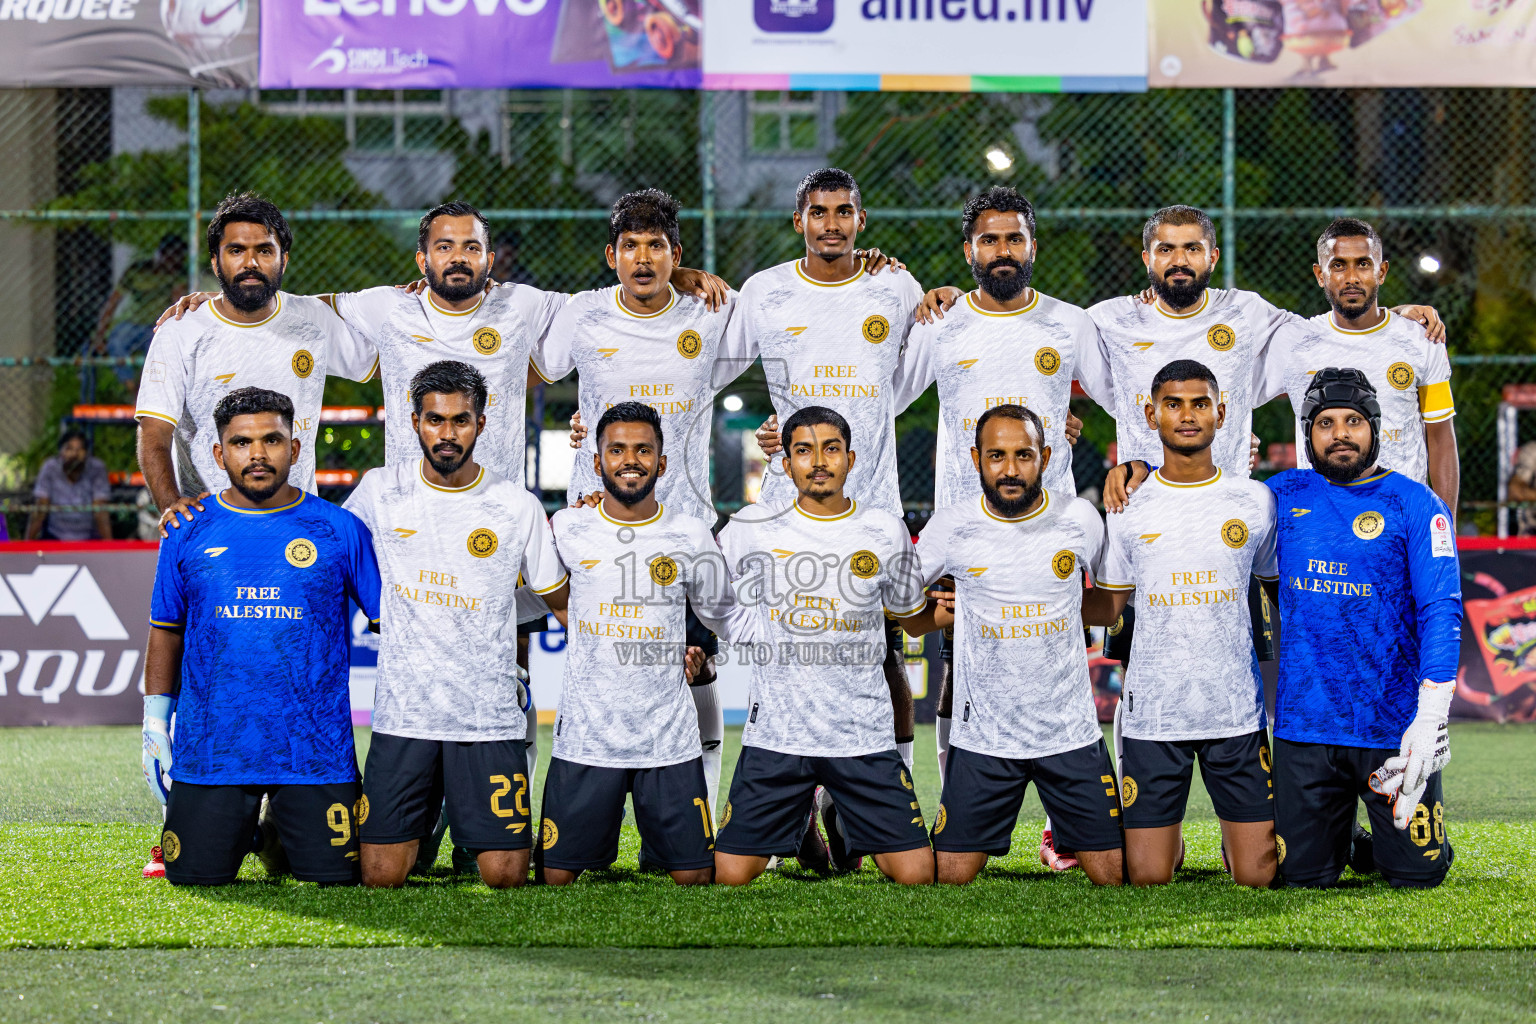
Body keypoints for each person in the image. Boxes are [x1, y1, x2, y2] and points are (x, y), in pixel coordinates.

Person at [884, 185, 1107, 869]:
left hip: (1050, 527)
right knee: (961, 661)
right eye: (989, 240)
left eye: (1013, 238)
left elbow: (1126, 400)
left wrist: (1129, 463)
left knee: (1062, 662)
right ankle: (964, 808)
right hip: (963, 521)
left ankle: (1068, 824)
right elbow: (882, 396)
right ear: (968, 250)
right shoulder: (942, 322)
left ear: (1032, 246)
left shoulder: (1068, 324)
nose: (1002, 251)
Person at [721, 168, 927, 861]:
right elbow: (701, 365)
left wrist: (947, 294)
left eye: (844, 212)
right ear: (798, 220)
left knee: (883, 656)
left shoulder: (895, 287)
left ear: (861, 222)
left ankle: (871, 804)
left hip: (873, 509)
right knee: (785, 660)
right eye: (818, 212)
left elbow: (921, 367)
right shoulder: (764, 291)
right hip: (787, 511)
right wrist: (690, 275)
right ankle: (788, 816)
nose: (831, 224)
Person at [140, 387, 382, 886]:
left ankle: (272, 837)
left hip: (315, 752)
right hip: (213, 748)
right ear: (218, 454)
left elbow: (391, 625)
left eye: (272, 440)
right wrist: (154, 722)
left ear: (294, 449)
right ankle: (248, 833)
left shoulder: (339, 529)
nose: (257, 454)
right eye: (241, 442)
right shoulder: (186, 529)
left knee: (334, 880)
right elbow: (166, 630)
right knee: (195, 877)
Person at [342, 361, 568, 889]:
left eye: (461, 420)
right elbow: (334, 555)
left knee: (506, 877)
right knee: (379, 877)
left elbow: (562, 603)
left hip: (486, 718)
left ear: (482, 424)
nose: (448, 434)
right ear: (414, 422)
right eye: (435, 420)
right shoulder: (380, 492)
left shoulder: (515, 506)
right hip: (405, 715)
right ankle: (433, 814)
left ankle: (454, 812)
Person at [902, 404, 1124, 885]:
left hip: (1069, 733)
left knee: (1119, 875)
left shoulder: (1080, 518)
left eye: (1023, 455)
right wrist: (937, 614)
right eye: (996, 455)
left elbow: (1107, 609)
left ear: (1044, 456)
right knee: (947, 877)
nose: (1009, 469)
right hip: (984, 739)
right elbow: (902, 607)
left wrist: (1052, 605)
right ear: (975, 458)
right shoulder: (952, 526)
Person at [713, 405, 933, 887]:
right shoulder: (753, 525)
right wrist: (746, 629)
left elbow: (908, 612)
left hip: (861, 736)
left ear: (850, 460)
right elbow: (707, 586)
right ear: (786, 462)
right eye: (804, 451)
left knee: (916, 875)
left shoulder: (883, 530)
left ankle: (838, 817)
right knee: (729, 876)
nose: (818, 461)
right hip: (777, 737)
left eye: (830, 449)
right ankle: (801, 820)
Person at [1084, 359, 1280, 887]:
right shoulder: (1127, 505)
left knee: (1257, 880)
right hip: (1155, 716)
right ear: (1151, 414)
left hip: (1235, 713)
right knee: (1146, 878)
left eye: (1199, 403)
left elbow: (1277, 591)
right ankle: (1167, 840)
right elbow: (1108, 608)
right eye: (1173, 404)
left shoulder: (1255, 501)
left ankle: (1226, 835)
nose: (1187, 415)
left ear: (1222, 412)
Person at [1264, 368, 1460, 888]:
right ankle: (1336, 837)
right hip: (1303, 728)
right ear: (1308, 435)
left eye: (1353, 420)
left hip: (1392, 728)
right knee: (1298, 879)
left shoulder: (1417, 503)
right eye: (1325, 423)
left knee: (1418, 877)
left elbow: (1442, 608)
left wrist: (1432, 715)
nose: (1340, 434)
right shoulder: (1279, 495)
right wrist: (1142, 471)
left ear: (1375, 427)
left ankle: (1384, 844)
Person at [537, 402, 741, 886]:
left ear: (661, 463)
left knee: (694, 878)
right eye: (617, 450)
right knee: (555, 880)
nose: (630, 460)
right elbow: (536, 598)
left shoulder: (690, 533)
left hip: (666, 738)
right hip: (586, 738)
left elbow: (723, 612)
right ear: (597, 462)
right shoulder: (567, 528)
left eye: (643, 450)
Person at [135, 192, 379, 537]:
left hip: (296, 531)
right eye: (236, 251)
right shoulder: (181, 330)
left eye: (264, 250)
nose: (250, 263)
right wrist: (169, 503)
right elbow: (154, 431)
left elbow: (392, 364)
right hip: (209, 531)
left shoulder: (312, 321)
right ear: (216, 262)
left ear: (284, 260)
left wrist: (428, 304)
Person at [1259, 218, 1458, 517]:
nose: (1351, 276)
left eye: (1363, 264)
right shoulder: (1295, 343)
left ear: (1381, 271)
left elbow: (1441, 438)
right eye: (1338, 265)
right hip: (1323, 523)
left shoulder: (1422, 339)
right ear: (1320, 275)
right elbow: (1231, 394)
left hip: (1401, 521)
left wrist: (1446, 531)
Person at [91, 234, 188, 384]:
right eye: (173, 254)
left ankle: (153, 391)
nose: (176, 260)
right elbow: (113, 302)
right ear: (162, 253)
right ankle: (131, 389)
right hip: (133, 323)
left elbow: (178, 304)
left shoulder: (178, 276)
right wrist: (101, 332)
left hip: (157, 327)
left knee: (158, 349)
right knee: (116, 341)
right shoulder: (138, 271)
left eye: (179, 255)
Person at [27, 430, 112, 541]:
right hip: (55, 535)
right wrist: (26, 544)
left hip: (88, 536)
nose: (74, 454)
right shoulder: (50, 468)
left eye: (79, 449)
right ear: (60, 452)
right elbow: (41, 507)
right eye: (69, 448)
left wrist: (110, 546)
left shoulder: (96, 468)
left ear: (86, 453)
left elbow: (100, 510)